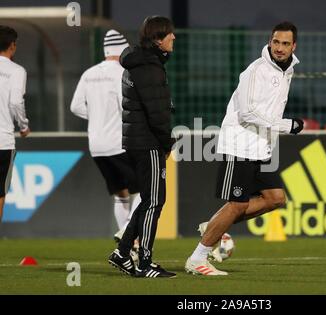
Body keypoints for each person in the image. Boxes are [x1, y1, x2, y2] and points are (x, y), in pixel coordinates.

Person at [185, 22, 304, 276]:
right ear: (269, 42)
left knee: (275, 199)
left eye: (285, 43)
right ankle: (198, 258)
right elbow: (247, 112)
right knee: (236, 205)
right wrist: (287, 125)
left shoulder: (288, 70)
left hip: (261, 148)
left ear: (293, 46)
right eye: (275, 42)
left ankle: (215, 224)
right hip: (240, 143)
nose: (279, 48)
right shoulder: (256, 70)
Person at [108, 16, 176, 278]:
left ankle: (123, 253)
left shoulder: (139, 62)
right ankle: (145, 262)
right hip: (148, 142)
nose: (174, 38)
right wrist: (167, 142)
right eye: (170, 34)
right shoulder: (150, 67)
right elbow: (157, 112)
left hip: (137, 140)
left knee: (150, 200)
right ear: (158, 39)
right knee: (154, 201)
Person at [70, 30, 140, 234]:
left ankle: (127, 247)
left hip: (97, 147)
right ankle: (128, 231)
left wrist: (98, 116)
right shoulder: (121, 73)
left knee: (121, 195)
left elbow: (75, 107)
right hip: (119, 142)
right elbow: (125, 106)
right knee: (147, 189)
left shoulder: (89, 74)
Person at [0, 25, 30, 223]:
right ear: (12, 45)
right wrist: (23, 125)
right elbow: (15, 102)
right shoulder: (16, 71)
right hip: (2, 140)